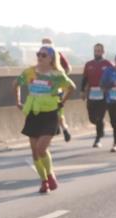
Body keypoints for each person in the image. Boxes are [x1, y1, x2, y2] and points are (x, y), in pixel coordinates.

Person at [15, 45, 76, 193]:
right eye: (38, 54)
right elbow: (15, 84)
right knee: (34, 151)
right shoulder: (29, 72)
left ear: (51, 58)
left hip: (50, 114)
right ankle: (43, 182)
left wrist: (62, 102)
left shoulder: (57, 75)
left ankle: (50, 175)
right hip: (33, 114)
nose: (40, 57)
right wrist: (17, 101)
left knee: (41, 148)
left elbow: (71, 87)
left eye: (43, 55)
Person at [81, 42, 113, 148]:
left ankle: (98, 139)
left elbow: (113, 77)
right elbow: (85, 79)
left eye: (99, 50)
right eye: (95, 50)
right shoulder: (88, 64)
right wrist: (82, 91)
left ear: (103, 52)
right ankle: (101, 125)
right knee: (92, 118)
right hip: (92, 93)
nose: (97, 52)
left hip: (103, 94)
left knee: (99, 117)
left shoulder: (108, 64)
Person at [42, 37, 73, 142]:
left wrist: (61, 77)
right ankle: (63, 128)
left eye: (47, 45)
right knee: (57, 113)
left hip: (55, 90)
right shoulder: (41, 56)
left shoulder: (57, 54)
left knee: (55, 112)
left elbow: (68, 68)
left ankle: (62, 129)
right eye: (43, 45)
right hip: (45, 91)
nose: (45, 47)